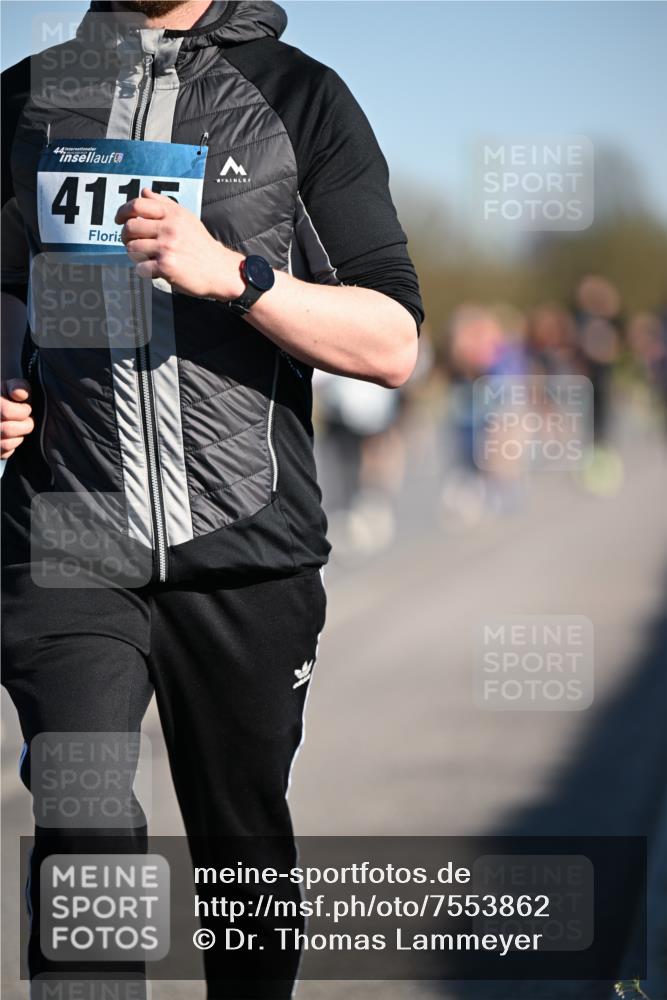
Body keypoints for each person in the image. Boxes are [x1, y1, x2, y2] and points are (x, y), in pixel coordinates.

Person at [0, 2, 423, 996]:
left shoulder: (298, 99)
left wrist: (233, 275)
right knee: (84, 837)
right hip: (66, 530)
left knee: (243, 864)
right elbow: (6, 279)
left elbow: (392, 339)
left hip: (247, 547)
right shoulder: (26, 100)